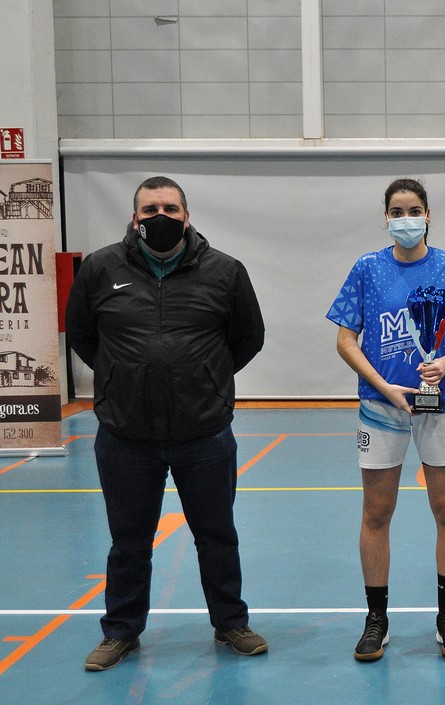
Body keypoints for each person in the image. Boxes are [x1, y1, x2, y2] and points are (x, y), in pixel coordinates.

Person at [65, 176, 267, 671]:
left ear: (187, 216)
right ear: (135, 218)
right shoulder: (100, 269)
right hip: (125, 434)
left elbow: (248, 337)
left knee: (217, 535)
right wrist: (121, 377)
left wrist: (205, 379)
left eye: (170, 209)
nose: (161, 217)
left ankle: (231, 623)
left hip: (205, 432)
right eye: (150, 209)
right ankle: (121, 632)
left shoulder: (225, 271)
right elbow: (82, 334)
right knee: (128, 541)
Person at [326, 178, 445, 661]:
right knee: (376, 512)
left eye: (414, 210)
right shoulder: (367, 268)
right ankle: (376, 620)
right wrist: (382, 385)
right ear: (386, 218)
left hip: (444, 403)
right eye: (397, 211)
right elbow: (345, 339)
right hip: (381, 405)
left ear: (428, 215)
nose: (406, 219)